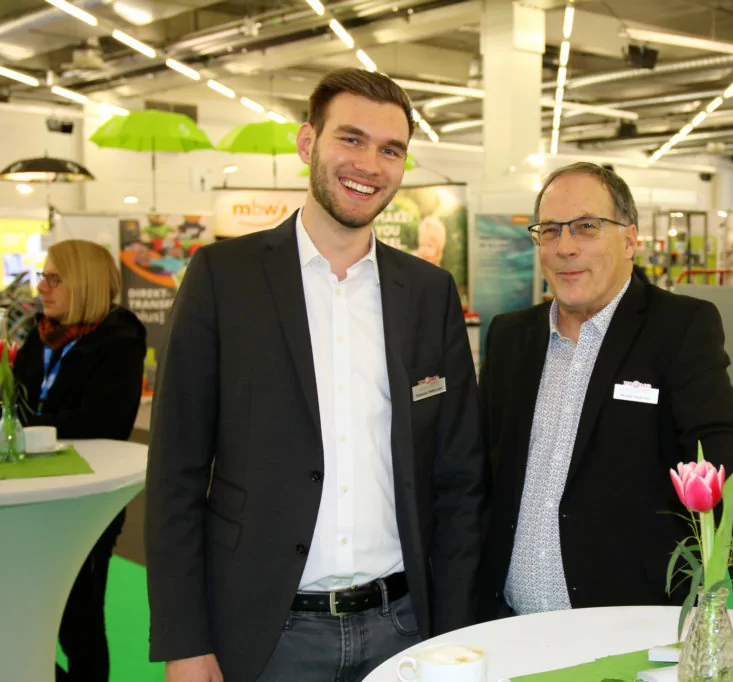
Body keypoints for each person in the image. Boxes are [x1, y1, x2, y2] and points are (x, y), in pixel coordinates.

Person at [145, 68, 486, 682]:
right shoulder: (224, 278)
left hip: (405, 625)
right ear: (308, 144)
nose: (370, 165)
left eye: (391, 150)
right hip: (266, 632)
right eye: (350, 139)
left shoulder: (428, 292)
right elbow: (176, 474)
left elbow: (460, 478)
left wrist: (455, 628)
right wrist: (184, 640)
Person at [477, 163, 733, 653]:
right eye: (549, 230)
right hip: (507, 628)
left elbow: (721, 443)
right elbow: (481, 467)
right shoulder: (510, 336)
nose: (564, 246)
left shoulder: (678, 328)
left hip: (627, 629)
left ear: (630, 240)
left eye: (587, 227)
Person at [13, 239, 146, 681]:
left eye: (54, 279)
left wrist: (30, 425)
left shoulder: (119, 337)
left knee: (80, 619)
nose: (43, 289)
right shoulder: (42, 332)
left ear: (84, 283)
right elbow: (17, 401)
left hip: (82, 497)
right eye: (42, 277)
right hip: (29, 490)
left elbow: (103, 421)